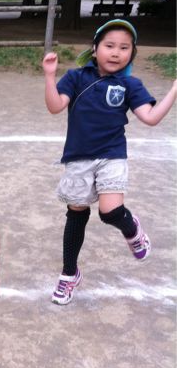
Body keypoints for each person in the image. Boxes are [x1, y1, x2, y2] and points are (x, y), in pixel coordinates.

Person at [43, 19, 177, 305]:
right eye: (110, 45)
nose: (116, 52)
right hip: (78, 156)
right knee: (76, 212)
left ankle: (132, 230)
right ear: (95, 49)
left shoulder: (130, 84)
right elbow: (55, 107)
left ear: (132, 53)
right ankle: (69, 274)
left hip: (112, 154)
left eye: (124, 48)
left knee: (110, 211)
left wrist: (174, 89)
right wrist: (50, 76)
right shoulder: (76, 77)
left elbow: (151, 117)